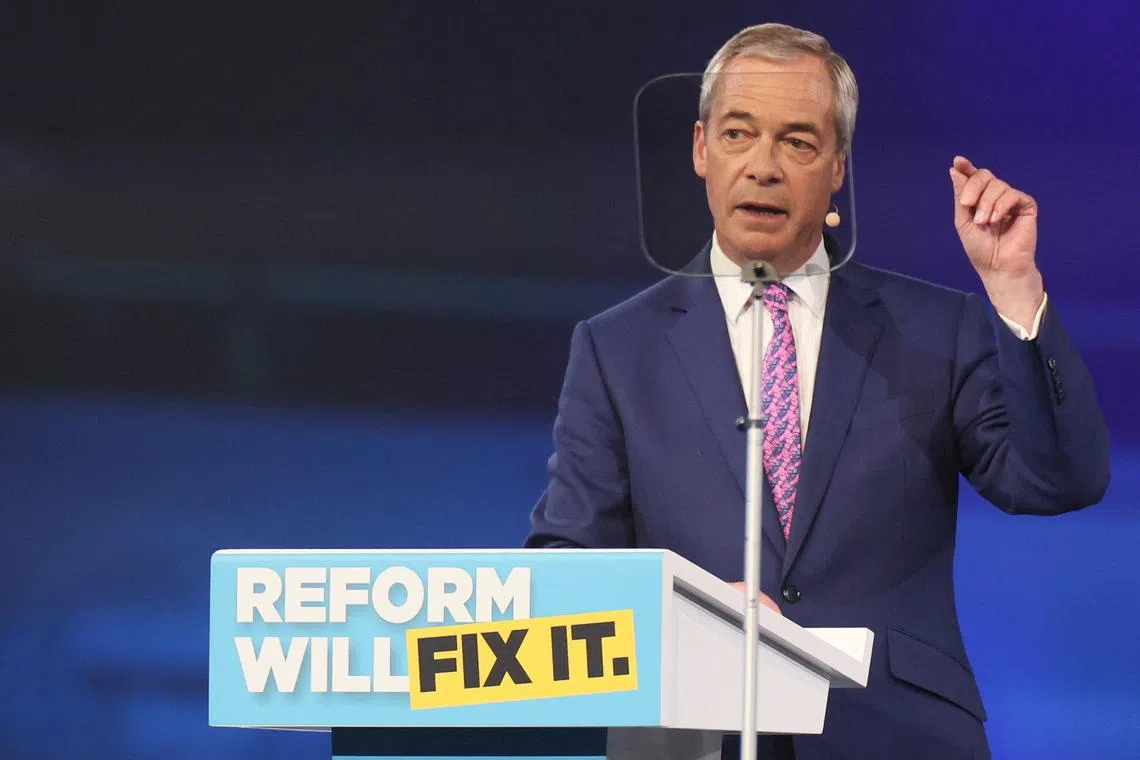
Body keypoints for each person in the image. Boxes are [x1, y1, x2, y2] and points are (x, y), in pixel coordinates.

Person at [524, 21, 1110, 760]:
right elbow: (567, 570)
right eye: (739, 135)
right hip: (692, 738)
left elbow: (1060, 480)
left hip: (897, 738)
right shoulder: (617, 348)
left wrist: (1015, 290)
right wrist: (686, 622)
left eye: (797, 142)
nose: (762, 167)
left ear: (837, 166)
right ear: (702, 150)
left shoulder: (937, 329)